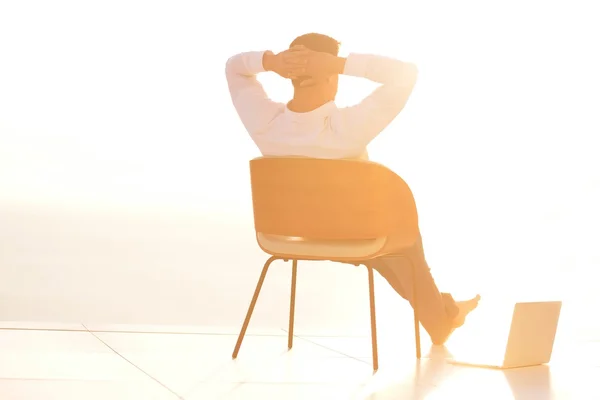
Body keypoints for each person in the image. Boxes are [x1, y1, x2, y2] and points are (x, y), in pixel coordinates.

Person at [225, 32, 480, 345]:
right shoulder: (347, 128)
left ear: (289, 76)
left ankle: (447, 311)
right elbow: (406, 74)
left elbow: (234, 67)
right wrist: (340, 63)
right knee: (401, 247)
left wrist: (271, 61)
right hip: (357, 235)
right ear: (332, 75)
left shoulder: (264, 123)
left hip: (299, 234)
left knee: (389, 257)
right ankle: (443, 319)